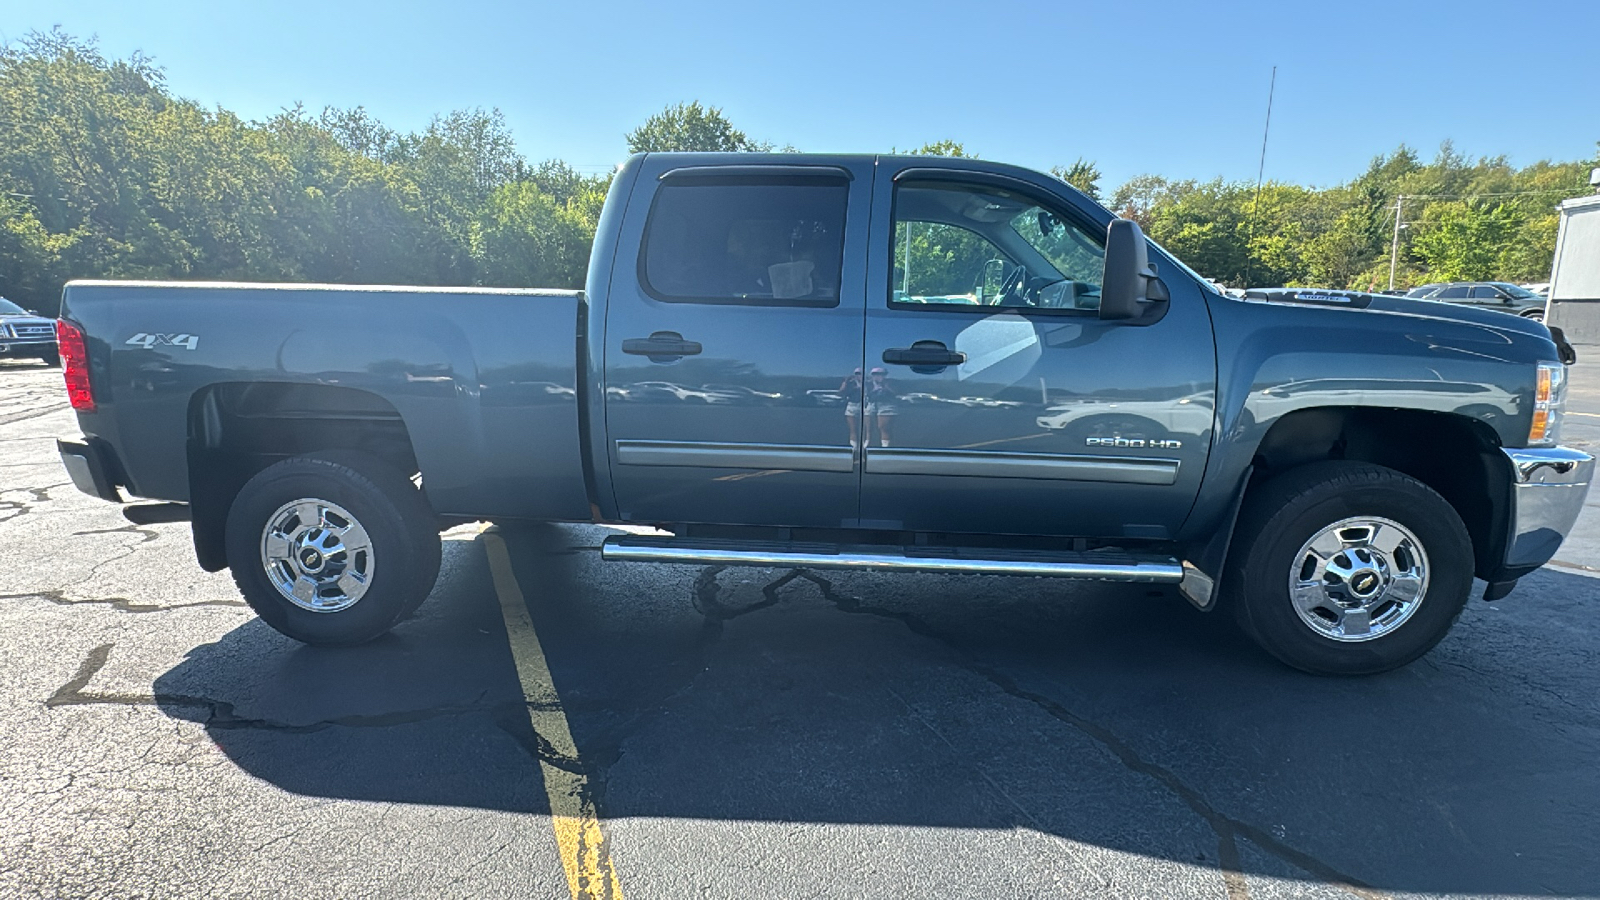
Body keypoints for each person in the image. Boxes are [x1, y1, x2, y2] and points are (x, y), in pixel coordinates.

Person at [867, 367, 897, 447]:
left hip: (886, 405)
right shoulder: (868, 384)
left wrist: (884, 385)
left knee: (883, 427)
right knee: (868, 427)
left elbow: (895, 393)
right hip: (871, 404)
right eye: (874, 374)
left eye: (880, 374)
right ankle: (866, 444)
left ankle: (885, 446)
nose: (877, 376)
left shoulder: (891, 382)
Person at [839, 367, 864, 450]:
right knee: (853, 428)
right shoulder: (850, 383)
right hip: (852, 405)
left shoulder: (868, 383)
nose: (858, 376)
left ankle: (864, 446)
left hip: (865, 405)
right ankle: (854, 447)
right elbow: (841, 391)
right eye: (857, 374)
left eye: (860, 373)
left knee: (866, 429)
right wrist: (845, 382)